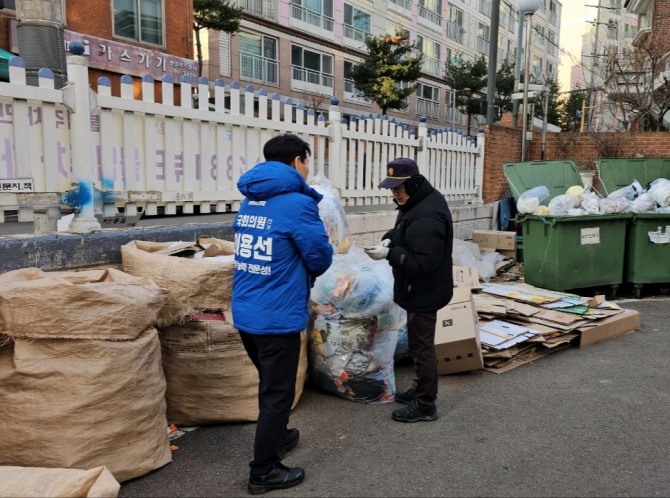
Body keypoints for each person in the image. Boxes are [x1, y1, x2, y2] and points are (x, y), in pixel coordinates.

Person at [232, 134, 333, 494]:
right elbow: (320, 256)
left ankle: (278, 436)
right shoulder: (296, 204)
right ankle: (264, 471)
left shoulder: (251, 200)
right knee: (276, 394)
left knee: (271, 385)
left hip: (246, 312)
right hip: (276, 316)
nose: (308, 169)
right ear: (296, 161)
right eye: (306, 161)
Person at [364, 157, 453, 423]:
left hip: (425, 290)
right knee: (417, 345)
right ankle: (421, 388)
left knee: (422, 348)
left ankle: (426, 404)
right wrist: (390, 237)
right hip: (418, 289)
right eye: (391, 188)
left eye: (398, 188)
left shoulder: (428, 214)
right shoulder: (415, 202)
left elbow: (423, 263)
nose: (394, 194)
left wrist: (391, 253)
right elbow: (404, 228)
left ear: (413, 183)